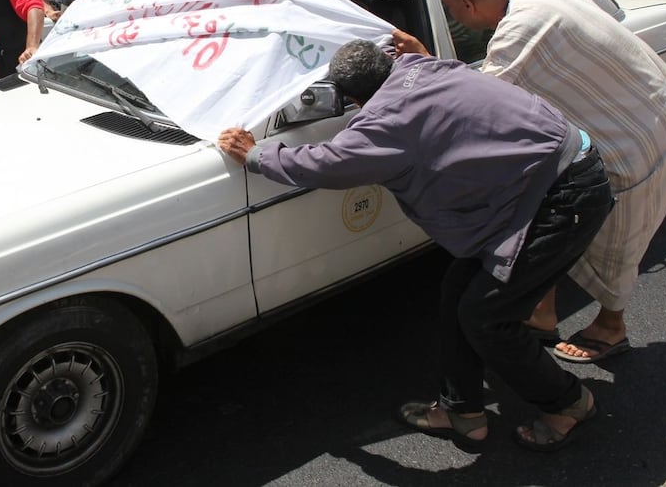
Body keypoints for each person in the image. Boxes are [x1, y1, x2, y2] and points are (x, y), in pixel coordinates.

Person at [218, 40, 613, 452]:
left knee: (487, 318)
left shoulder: (385, 124)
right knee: (458, 292)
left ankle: (568, 403)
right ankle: (463, 412)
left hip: (561, 198)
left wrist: (257, 153)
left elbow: (325, 164)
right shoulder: (426, 67)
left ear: (351, 98)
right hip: (531, 191)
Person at [397, 0, 666, 369]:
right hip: (653, 108)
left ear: (466, 6)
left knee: (615, 244)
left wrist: (424, 62)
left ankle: (611, 327)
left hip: (635, 140)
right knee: (539, 216)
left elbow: (473, 104)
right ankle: (542, 313)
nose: (451, 17)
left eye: (448, 9)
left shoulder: (518, 30)